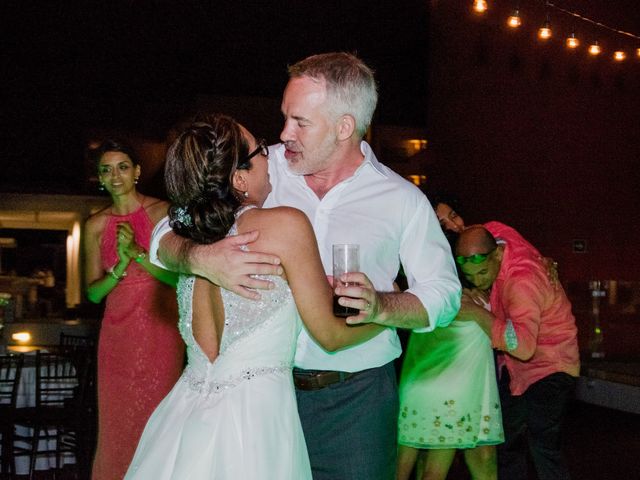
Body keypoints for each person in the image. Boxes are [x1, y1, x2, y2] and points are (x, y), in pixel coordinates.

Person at [149, 52, 461, 479]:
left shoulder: (402, 199)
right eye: (284, 117)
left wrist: (382, 307)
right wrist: (204, 258)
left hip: (355, 405)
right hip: (261, 401)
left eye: (300, 122)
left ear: (343, 126)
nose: (283, 133)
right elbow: (166, 229)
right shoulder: (259, 168)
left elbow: (444, 294)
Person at [125, 114, 386, 479]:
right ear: (239, 178)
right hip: (256, 419)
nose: (270, 157)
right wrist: (387, 312)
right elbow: (331, 334)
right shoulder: (285, 225)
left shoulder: (187, 235)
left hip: (185, 416)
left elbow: (163, 234)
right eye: (261, 151)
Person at [84, 139, 185, 480]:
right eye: (106, 169)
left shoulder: (163, 213)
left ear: (137, 172)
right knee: (117, 426)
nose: (115, 176)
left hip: (160, 328)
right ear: (99, 177)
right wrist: (119, 266)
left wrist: (140, 254)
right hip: (117, 337)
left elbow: (178, 278)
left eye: (123, 167)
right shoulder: (95, 225)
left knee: (159, 418)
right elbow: (94, 294)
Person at [455, 225, 580, 480]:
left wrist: (479, 313)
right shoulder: (497, 234)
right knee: (506, 443)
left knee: (542, 443)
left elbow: (522, 347)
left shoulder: (522, 281)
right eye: (471, 277)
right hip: (517, 370)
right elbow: (481, 231)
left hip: (551, 365)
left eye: (482, 272)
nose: (478, 282)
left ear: (499, 254)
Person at [396, 207, 503, 479]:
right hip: (449, 380)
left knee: (405, 462)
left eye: (452, 215)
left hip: (421, 373)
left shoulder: (469, 258)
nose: (450, 224)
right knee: (422, 466)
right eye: (440, 220)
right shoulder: (450, 276)